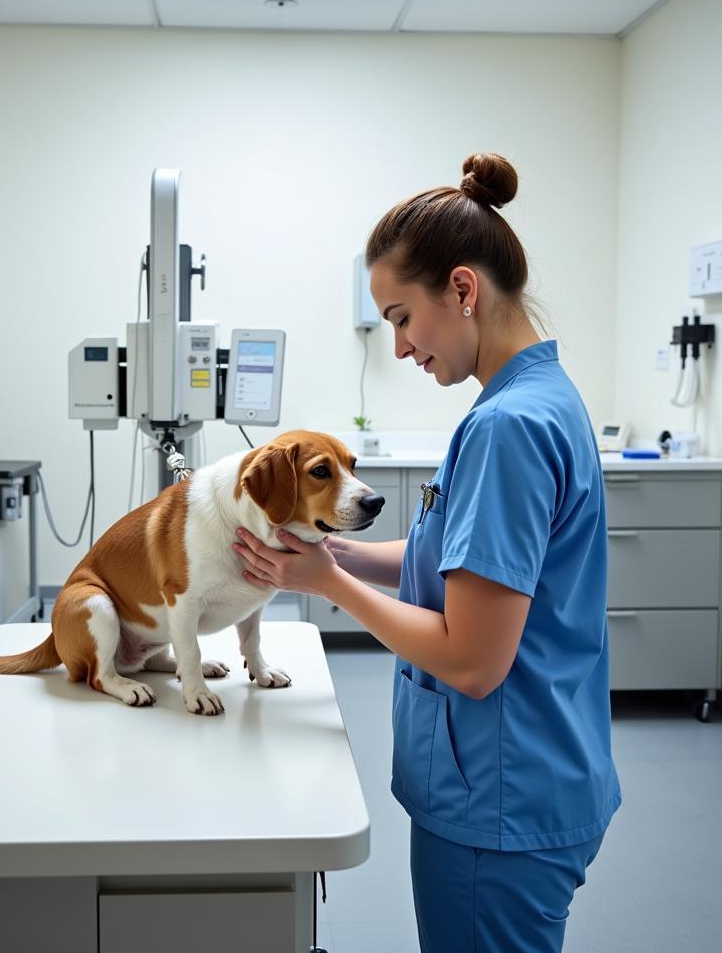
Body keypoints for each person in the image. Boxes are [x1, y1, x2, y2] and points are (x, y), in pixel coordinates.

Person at [231, 152, 621, 953]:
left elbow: (472, 660)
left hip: (499, 800)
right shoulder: (539, 398)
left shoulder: (506, 428)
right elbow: (456, 557)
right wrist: (324, 557)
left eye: (403, 317)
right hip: (537, 773)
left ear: (464, 289)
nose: (402, 346)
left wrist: (328, 586)